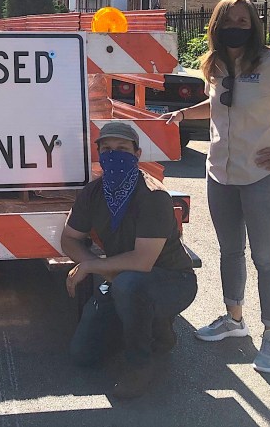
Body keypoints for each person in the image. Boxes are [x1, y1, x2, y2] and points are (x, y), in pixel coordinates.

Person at [161, 0, 270, 373]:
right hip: (220, 173)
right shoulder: (215, 65)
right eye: (229, 20)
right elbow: (222, 103)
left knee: (265, 257)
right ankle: (234, 319)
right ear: (217, 26)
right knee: (229, 252)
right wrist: (183, 113)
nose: (236, 27)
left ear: (254, 26)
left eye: (243, 21)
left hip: (261, 177)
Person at [62, 121, 197, 399]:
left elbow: (143, 261)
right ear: (99, 153)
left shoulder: (153, 195)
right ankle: (151, 329)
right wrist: (103, 269)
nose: (114, 155)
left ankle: (140, 366)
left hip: (172, 281)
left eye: (122, 149)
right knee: (83, 354)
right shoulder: (94, 192)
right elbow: (69, 238)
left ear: (136, 154)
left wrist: (90, 265)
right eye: (107, 149)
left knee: (129, 286)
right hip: (123, 278)